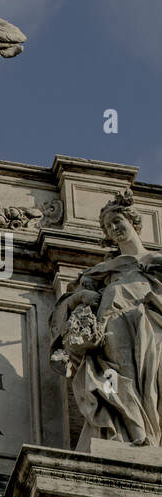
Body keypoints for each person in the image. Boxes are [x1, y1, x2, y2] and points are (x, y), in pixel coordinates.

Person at [51, 192, 162, 448]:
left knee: (151, 384)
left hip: (148, 326)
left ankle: (152, 433)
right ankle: (133, 432)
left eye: (117, 221)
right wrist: (82, 297)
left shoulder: (156, 262)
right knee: (116, 377)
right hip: (114, 326)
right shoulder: (102, 271)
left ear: (132, 222)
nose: (114, 229)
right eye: (108, 227)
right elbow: (68, 303)